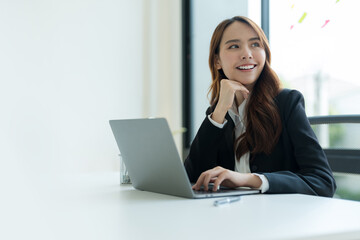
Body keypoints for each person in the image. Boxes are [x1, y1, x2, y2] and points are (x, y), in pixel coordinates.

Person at [184, 16, 336, 197]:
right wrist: (218, 112)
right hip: (231, 216)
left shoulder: (287, 103)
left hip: (278, 218)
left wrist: (249, 179)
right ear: (217, 61)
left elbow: (323, 181)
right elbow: (191, 177)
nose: (247, 54)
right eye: (234, 46)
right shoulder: (218, 114)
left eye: (255, 44)